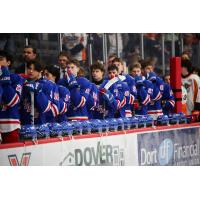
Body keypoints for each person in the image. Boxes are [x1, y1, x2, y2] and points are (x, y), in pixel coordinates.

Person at [20, 61, 58, 125]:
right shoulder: (23, 83)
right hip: (24, 123)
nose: (31, 71)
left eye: (34, 69)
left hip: (41, 125)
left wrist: (38, 92)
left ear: (40, 71)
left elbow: (46, 107)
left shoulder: (48, 84)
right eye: (29, 68)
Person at [0, 51, 24, 143]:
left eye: (1, 59)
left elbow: (13, 101)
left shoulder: (16, 78)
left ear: (8, 63)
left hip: (10, 125)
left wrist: (5, 80)